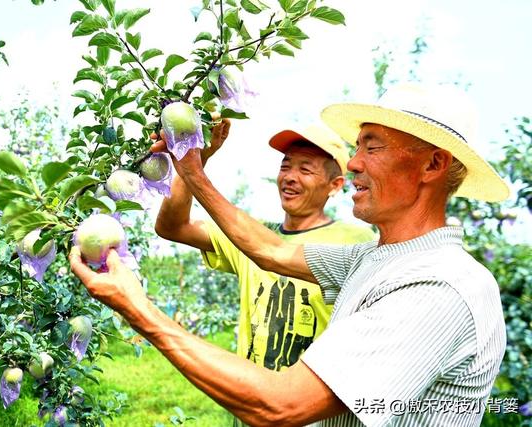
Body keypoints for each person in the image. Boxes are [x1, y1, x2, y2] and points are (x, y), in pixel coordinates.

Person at [69, 83, 510, 426]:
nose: (353, 162)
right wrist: (192, 169)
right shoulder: (375, 258)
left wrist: (137, 308)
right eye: (357, 147)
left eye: (371, 147)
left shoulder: (436, 286)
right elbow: (270, 249)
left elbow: (281, 405)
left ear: (432, 165)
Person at [154, 120, 375, 372]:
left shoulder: (356, 240)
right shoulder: (250, 235)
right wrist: (197, 162)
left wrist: (194, 174)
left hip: (318, 404)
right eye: (285, 166)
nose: (290, 177)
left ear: (335, 185)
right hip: (255, 400)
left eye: (305, 170)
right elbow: (172, 227)